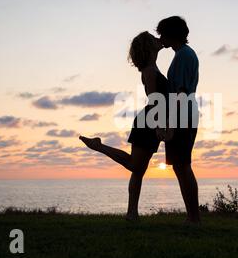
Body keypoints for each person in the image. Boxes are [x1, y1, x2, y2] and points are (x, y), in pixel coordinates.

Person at [79, 31, 168, 221]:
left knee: (138, 170)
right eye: (153, 39)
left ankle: (131, 213)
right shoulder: (150, 71)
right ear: (148, 47)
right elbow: (155, 100)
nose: (157, 39)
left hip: (150, 120)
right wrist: (160, 125)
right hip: (150, 121)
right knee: (135, 166)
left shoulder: (152, 68)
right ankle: (98, 146)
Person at [156, 16, 201, 224]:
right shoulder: (182, 54)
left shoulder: (183, 55)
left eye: (162, 33)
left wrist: (171, 124)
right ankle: (192, 217)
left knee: (183, 165)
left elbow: (181, 93)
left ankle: (193, 218)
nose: (160, 38)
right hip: (184, 114)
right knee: (180, 166)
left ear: (171, 34)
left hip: (183, 115)